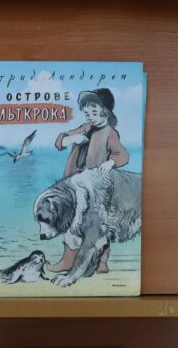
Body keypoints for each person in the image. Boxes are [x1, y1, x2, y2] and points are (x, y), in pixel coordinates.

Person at [47, 88, 130, 274]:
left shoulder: (110, 133)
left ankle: (101, 262)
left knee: (100, 224)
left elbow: (122, 155)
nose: (90, 117)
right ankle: (68, 261)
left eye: (94, 112)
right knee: (72, 222)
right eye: (86, 113)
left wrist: (110, 162)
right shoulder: (85, 128)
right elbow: (59, 142)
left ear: (105, 112)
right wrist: (72, 138)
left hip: (97, 187)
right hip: (74, 185)